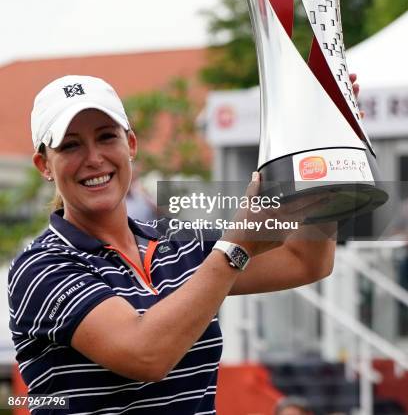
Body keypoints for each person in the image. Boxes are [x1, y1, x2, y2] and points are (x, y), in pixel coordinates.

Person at [8, 74, 353, 415]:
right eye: (70, 145)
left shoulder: (179, 240)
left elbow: (305, 260)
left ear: (131, 145)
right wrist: (236, 248)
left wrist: (323, 148)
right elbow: (145, 355)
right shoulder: (41, 267)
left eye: (106, 137)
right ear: (44, 165)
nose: (94, 157)